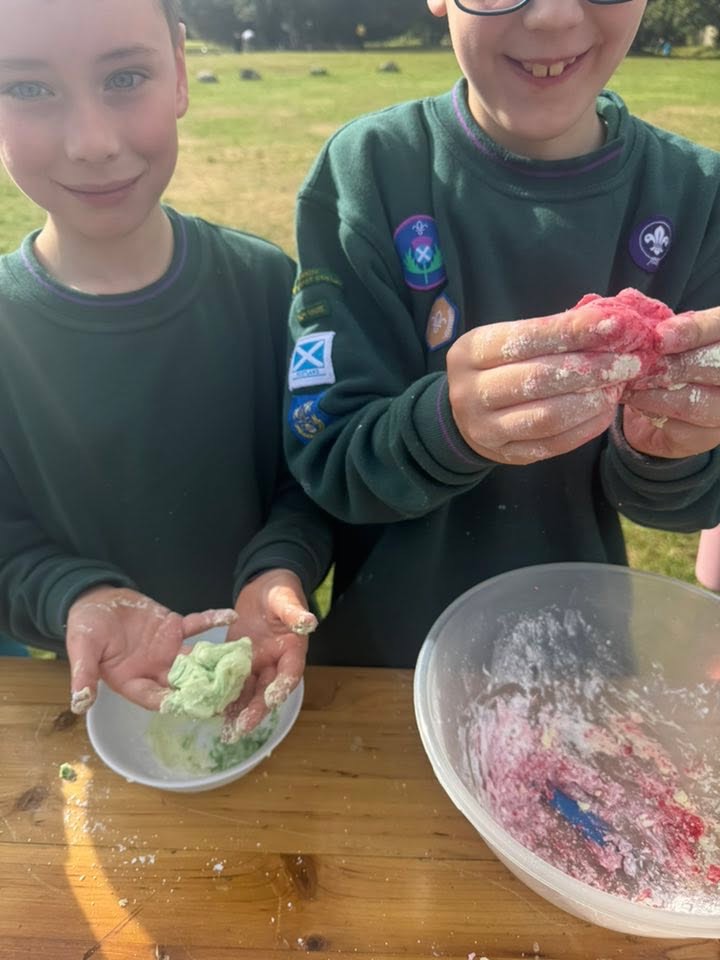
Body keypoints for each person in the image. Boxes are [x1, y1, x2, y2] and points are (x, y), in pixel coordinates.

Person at [283, 0, 720, 668]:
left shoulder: (695, 195)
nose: (552, 17)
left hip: (582, 665)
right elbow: (328, 457)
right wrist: (448, 427)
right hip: (389, 666)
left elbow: (688, 503)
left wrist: (667, 448)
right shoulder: (369, 172)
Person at [0, 0, 332, 736]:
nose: (92, 142)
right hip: (92, 714)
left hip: (272, 685)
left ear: (180, 71)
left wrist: (280, 564)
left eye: (124, 77)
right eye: (27, 88)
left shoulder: (267, 287)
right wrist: (75, 596)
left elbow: (312, 479)